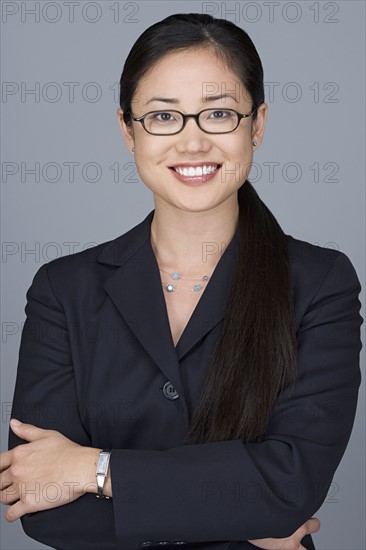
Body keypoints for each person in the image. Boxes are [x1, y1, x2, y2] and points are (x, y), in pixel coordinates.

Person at [0, 12, 363, 550]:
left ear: (257, 125)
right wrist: (242, 517)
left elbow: (293, 485)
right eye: (163, 117)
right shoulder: (62, 289)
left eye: (218, 113)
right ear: (127, 131)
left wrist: (95, 471)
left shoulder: (320, 283)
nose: (192, 144)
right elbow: (39, 506)